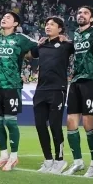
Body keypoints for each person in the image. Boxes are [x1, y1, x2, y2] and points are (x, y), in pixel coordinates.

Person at [0, 12, 38, 171]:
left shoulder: (20, 38)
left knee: (10, 121)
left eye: (8, 18)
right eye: (3, 17)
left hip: (12, 85)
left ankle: (14, 156)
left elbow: (37, 48)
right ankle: (3, 155)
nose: (4, 18)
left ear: (16, 24)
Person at [63, 6, 93, 177]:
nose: (81, 15)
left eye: (85, 13)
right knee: (70, 122)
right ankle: (78, 162)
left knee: (88, 122)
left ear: (92, 18)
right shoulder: (76, 33)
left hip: (92, 80)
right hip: (75, 80)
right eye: (79, 13)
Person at [32, 17, 72, 174]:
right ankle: (48, 160)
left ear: (60, 29)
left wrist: (67, 40)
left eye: (52, 24)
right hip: (40, 90)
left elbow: (81, 48)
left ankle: (60, 160)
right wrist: (38, 44)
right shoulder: (41, 45)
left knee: (55, 125)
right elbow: (31, 53)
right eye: (47, 24)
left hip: (57, 89)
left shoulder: (66, 45)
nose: (48, 26)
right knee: (40, 126)